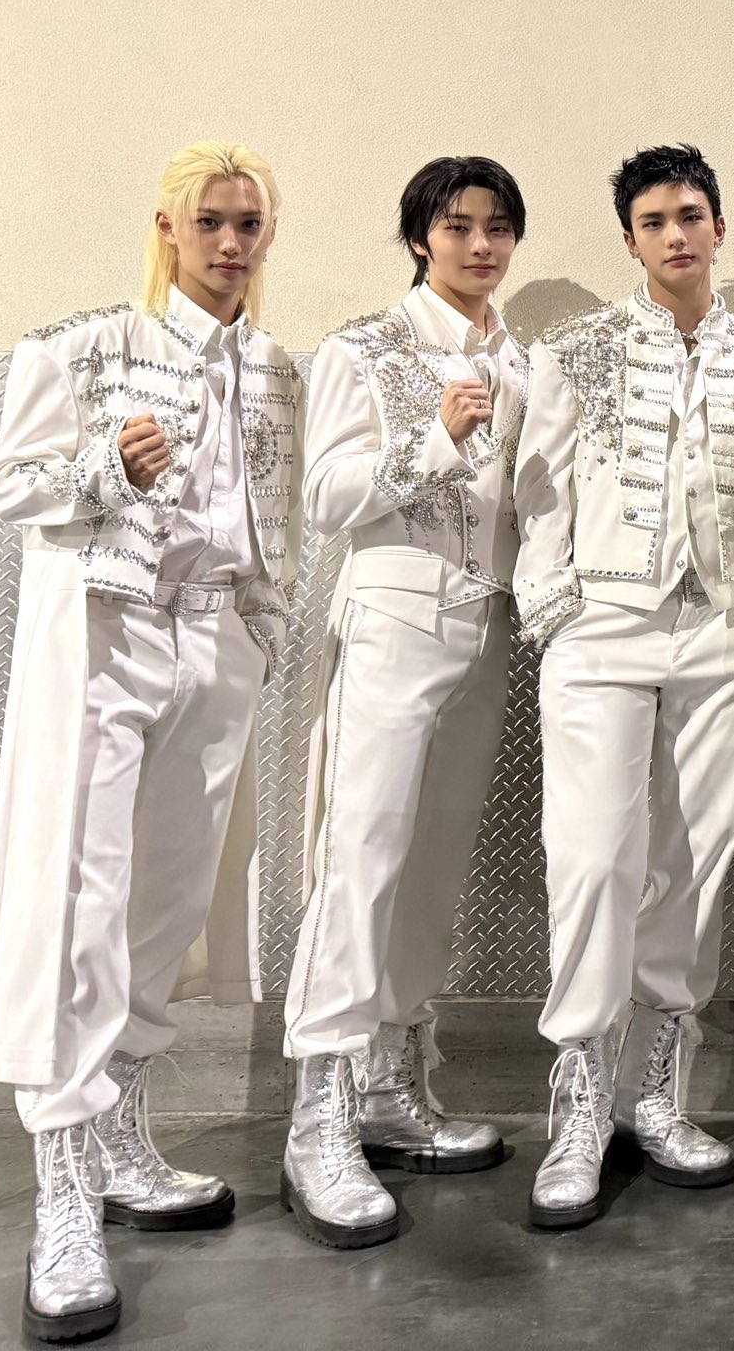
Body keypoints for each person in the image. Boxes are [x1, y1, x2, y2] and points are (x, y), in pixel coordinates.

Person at [0, 141, 300, 1340]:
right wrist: (104, 465)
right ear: (166, 227)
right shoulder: (82, 346)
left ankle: (118, 1142)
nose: (230, 242)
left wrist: (260, 629)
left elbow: (271, 516)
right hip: (108, 639)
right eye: (210, 221)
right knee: (81, 901)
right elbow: (10, 487)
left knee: (166, 903)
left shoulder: (273, 370)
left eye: (248, 222)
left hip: (216, 642)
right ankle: (60, 1193)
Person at [515, 145, 734, 1227]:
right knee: (592, 861)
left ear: (719, 227)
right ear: (630, 239)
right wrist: (555, 615)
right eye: (656, 220)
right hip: (603, 625)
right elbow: (537, 494)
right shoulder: (573, 350)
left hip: (723, 626)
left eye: (692, 215)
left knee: (696, 860)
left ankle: (656, 1093)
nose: (677, 234)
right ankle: (579, 1107)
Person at [280, 157, 529, 1246]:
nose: (480, 246)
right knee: (361, 858)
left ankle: (388, 1088)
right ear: (421, 235)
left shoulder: (520, 358)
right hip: (391, 616)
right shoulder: (365, 348)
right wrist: (435, 440)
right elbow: (325, 498)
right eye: (458, 226)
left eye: (498, 228)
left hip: (487, 626)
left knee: (430, 867)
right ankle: (316, 1121)